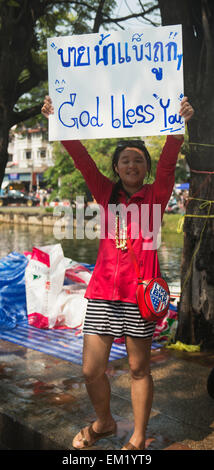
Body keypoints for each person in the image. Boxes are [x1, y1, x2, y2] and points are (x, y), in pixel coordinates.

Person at [42, 96, 194, 450]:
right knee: (90, 371)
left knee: (139, 370)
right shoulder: (104, 192)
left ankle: (138, 438)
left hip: (139, 298)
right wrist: (58, 121)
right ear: (116, 167)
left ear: (146, 168)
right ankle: (105, 422)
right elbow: (81, 159)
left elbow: (170, 165)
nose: (131, 164)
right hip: (101, 296)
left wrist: (177, 128)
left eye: (138, 160)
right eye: (125, 159)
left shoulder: (156, 196)